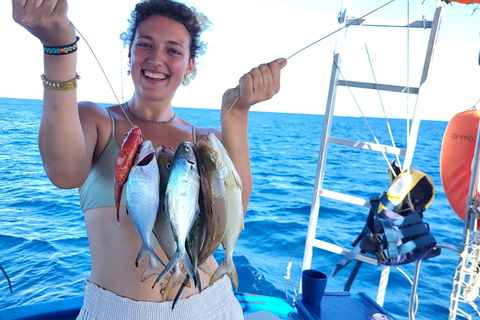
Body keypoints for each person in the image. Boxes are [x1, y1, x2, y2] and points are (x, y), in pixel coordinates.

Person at [12, 0, 285, 319]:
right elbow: (63, 173)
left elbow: (233, 214)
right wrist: (58, 47)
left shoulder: (208, 143)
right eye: (145, 44)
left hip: (213, 306)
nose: (157, 58)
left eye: (173, 50)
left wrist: (237, 113)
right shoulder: (95, 121)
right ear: (128, 54)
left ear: (190, 65)